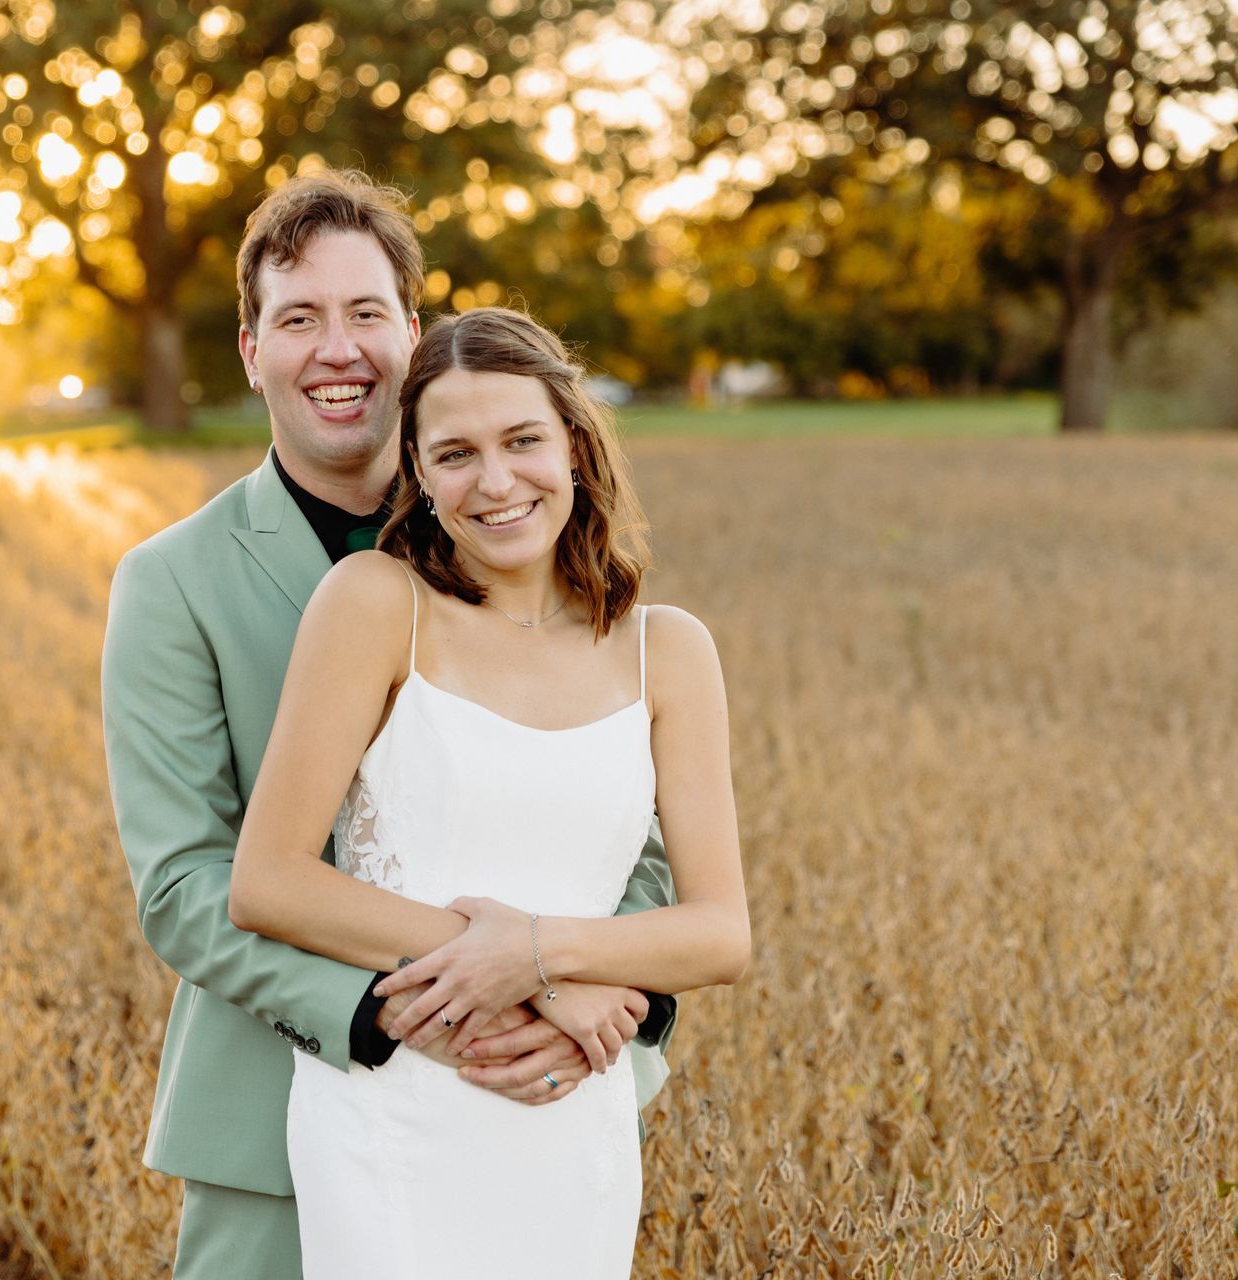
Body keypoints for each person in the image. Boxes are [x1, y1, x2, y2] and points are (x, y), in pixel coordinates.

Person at [101, 171, 683, 1279]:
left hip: (547, 1091)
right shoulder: (171, 582)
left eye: (367, 313)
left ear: (413, 334)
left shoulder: (528, 537)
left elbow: (633, 824)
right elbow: (183, 882)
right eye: (299, 319)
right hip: (279, 1117)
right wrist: (390, 1009)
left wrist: (604, 991)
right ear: (249, 348)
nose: (338, 349)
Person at [225, 305, 751, 1278]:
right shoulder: (376, 604)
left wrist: (549, 959)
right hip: (396, 1109)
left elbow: (721, 933)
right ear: (417, 474)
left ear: (577, 447)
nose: (497, 481)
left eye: (523, 440)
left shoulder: (668, 648)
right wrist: (513, 969)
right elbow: (269, 879)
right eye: (456, 452)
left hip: (569, 1104)